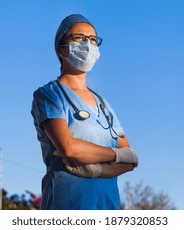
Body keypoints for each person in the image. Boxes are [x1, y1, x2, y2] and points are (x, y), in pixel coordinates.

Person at [31, 14, 138, 210]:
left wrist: (94, 169)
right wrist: (115, 155)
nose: (87, 44)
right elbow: (69, 149)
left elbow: (130, 159)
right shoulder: (50, 95)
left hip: (107, 206)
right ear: (62, 49)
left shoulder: (103, 105)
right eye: (79, 38)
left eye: (92, 39)